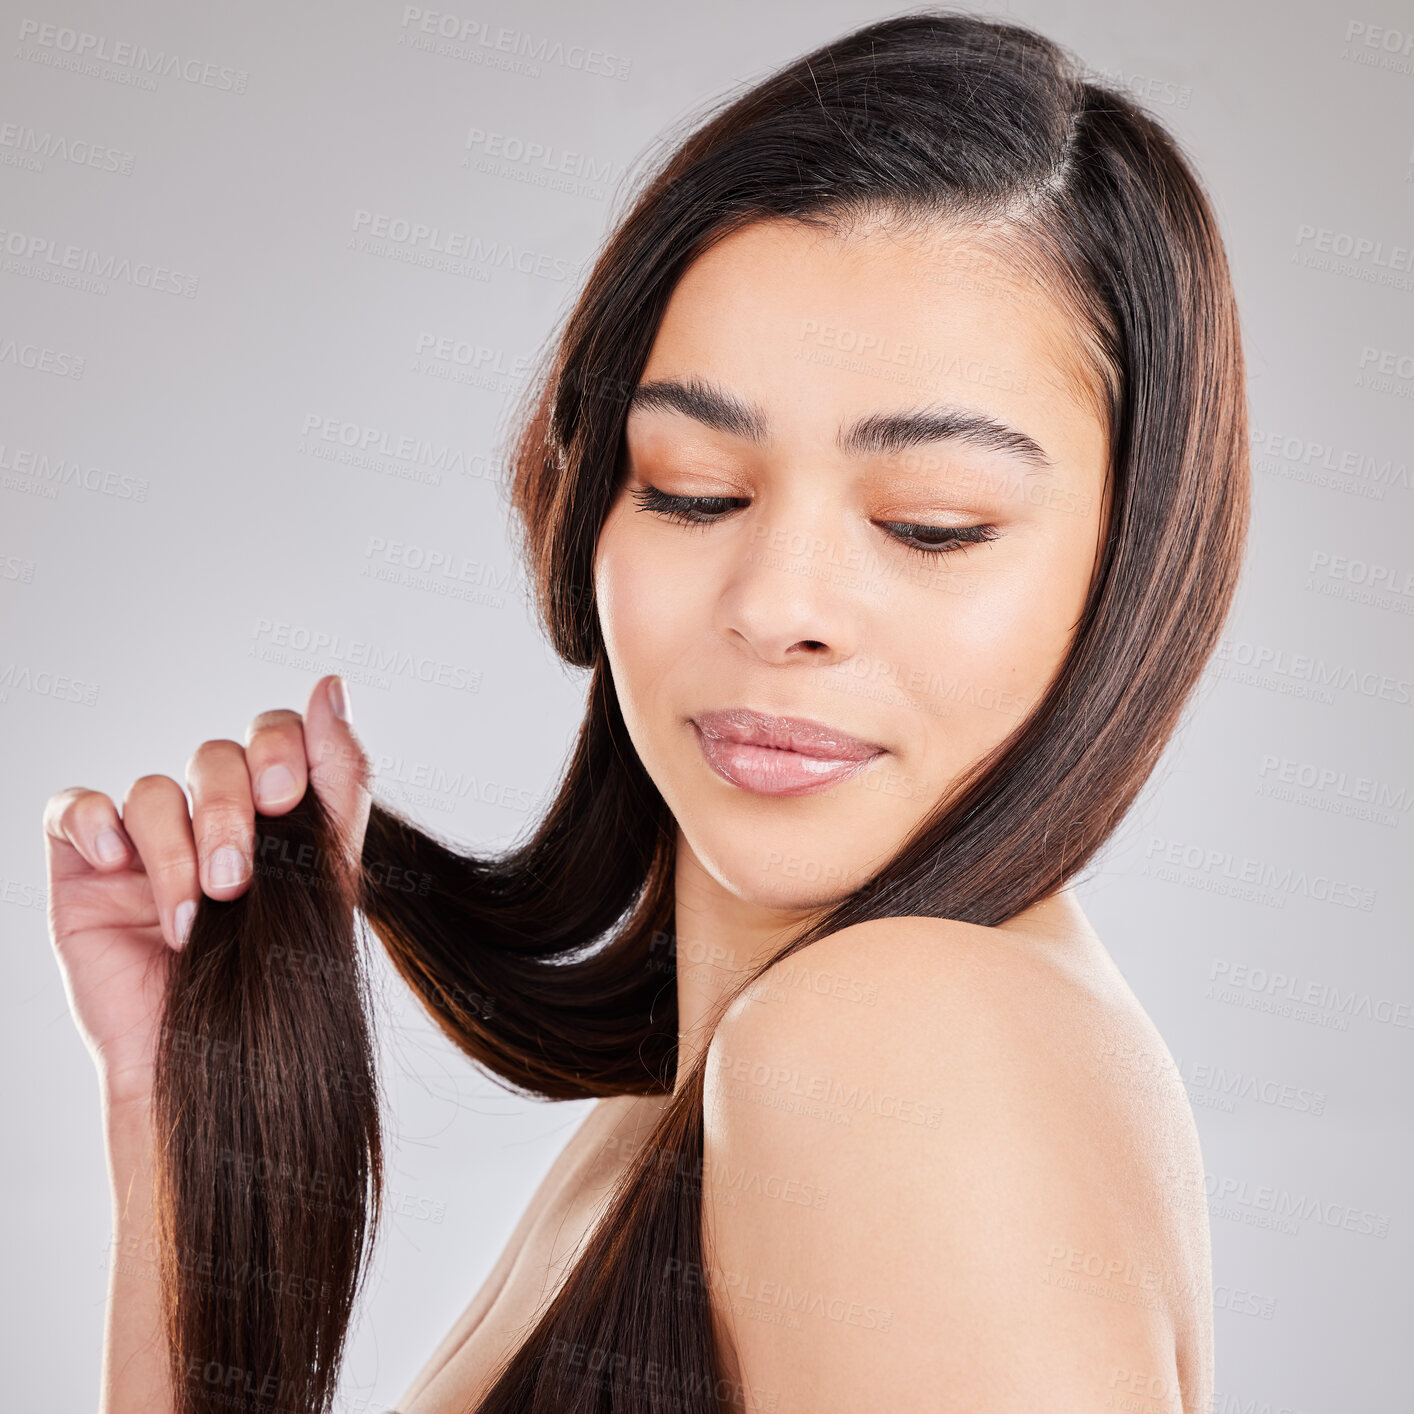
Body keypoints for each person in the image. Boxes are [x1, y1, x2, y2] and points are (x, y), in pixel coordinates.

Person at [43, 12, 1247, 1414]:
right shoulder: (696, 1096)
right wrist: (175, 1112)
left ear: (1136, 569)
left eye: (930, 525)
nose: (773, 603)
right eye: (690, 487)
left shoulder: (894, 1044)